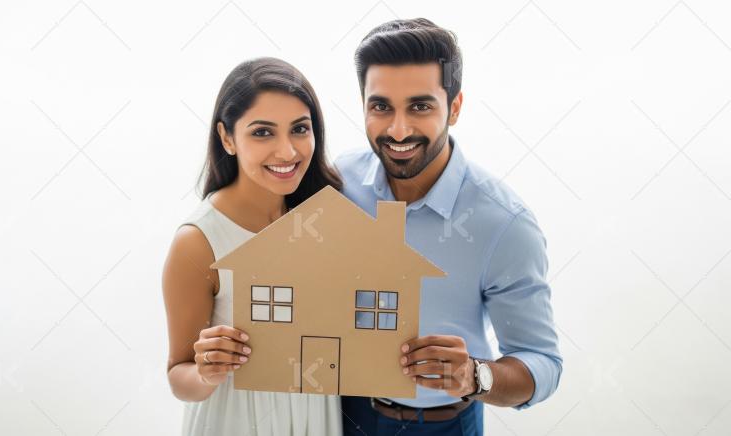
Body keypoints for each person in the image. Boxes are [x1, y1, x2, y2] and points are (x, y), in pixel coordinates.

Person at [336, 18, 563, 435]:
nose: (398, 129)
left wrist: (477, 376)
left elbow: (542, 363)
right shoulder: (337, 184)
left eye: (420, 106)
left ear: (454, 107)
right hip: (342, 414)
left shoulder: (504, 223)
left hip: (443, 425)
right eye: (381, 106)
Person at [162, 57, 343, 435]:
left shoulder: (323, 220)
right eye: (263, 133)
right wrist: (207, 371)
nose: (288, 152)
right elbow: (179, 376)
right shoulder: (198, 242)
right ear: (227, 138)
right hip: (235, 420)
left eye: (299, 129)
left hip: (315, 416)